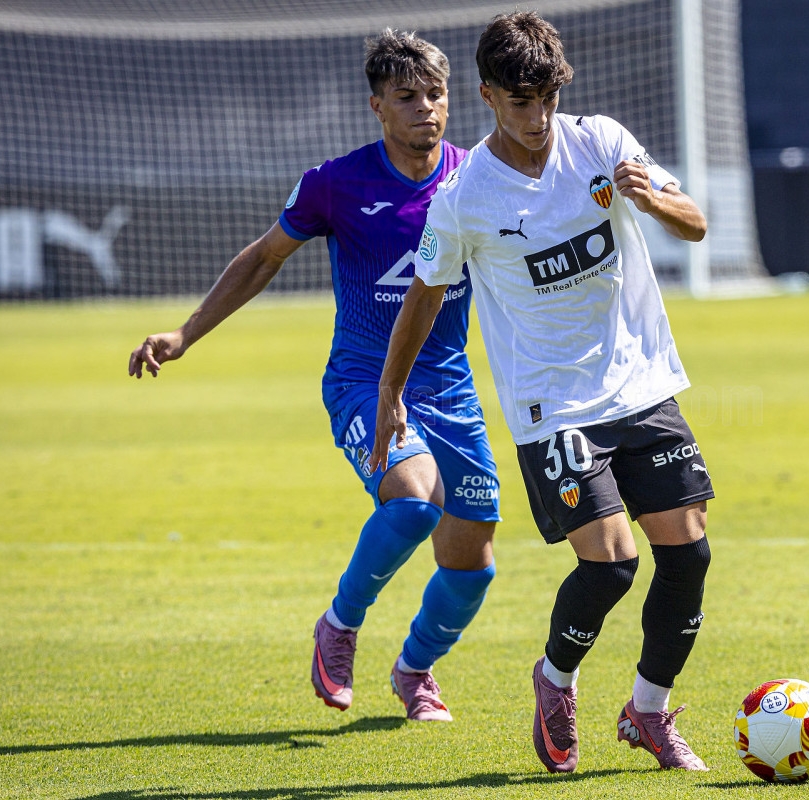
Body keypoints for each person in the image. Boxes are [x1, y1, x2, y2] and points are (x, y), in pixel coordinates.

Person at [371, 11, 713, 772]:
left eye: (547, 100)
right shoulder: (464, 197)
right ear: (489, 96)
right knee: (613, 563)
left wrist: (653, 202)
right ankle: (555, 680)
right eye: (520, 103)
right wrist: (390, 394)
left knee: (687, 557)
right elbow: (423, 295)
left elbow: (695, 223)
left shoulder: (603, 142)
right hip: (551, 408)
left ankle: (648, 713)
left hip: (643, 386)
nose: (538, 119)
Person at [127, 30, 499, 722]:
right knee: (415, 501)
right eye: (406, 97)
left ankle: (415, 671)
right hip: (362, 379)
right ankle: (340, 625)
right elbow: (265, 258)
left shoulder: (479, 178)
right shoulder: (336, 183)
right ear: (377, 108)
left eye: (436, 95)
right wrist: (185, 333)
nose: (426, 108)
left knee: (473, 565)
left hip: (449, 389)